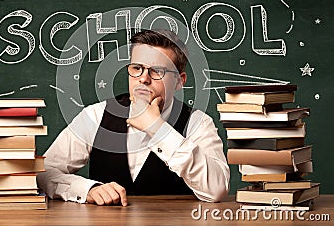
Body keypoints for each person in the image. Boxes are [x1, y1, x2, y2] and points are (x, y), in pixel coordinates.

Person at [37, 29, 229, 206]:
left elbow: (217, 190)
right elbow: (43, 172)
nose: (144, 78)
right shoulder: (96, 115)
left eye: (157, 71)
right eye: (137, 68)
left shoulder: (198, 123)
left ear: (179, 81)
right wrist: (87, 189)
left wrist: (158, 129)